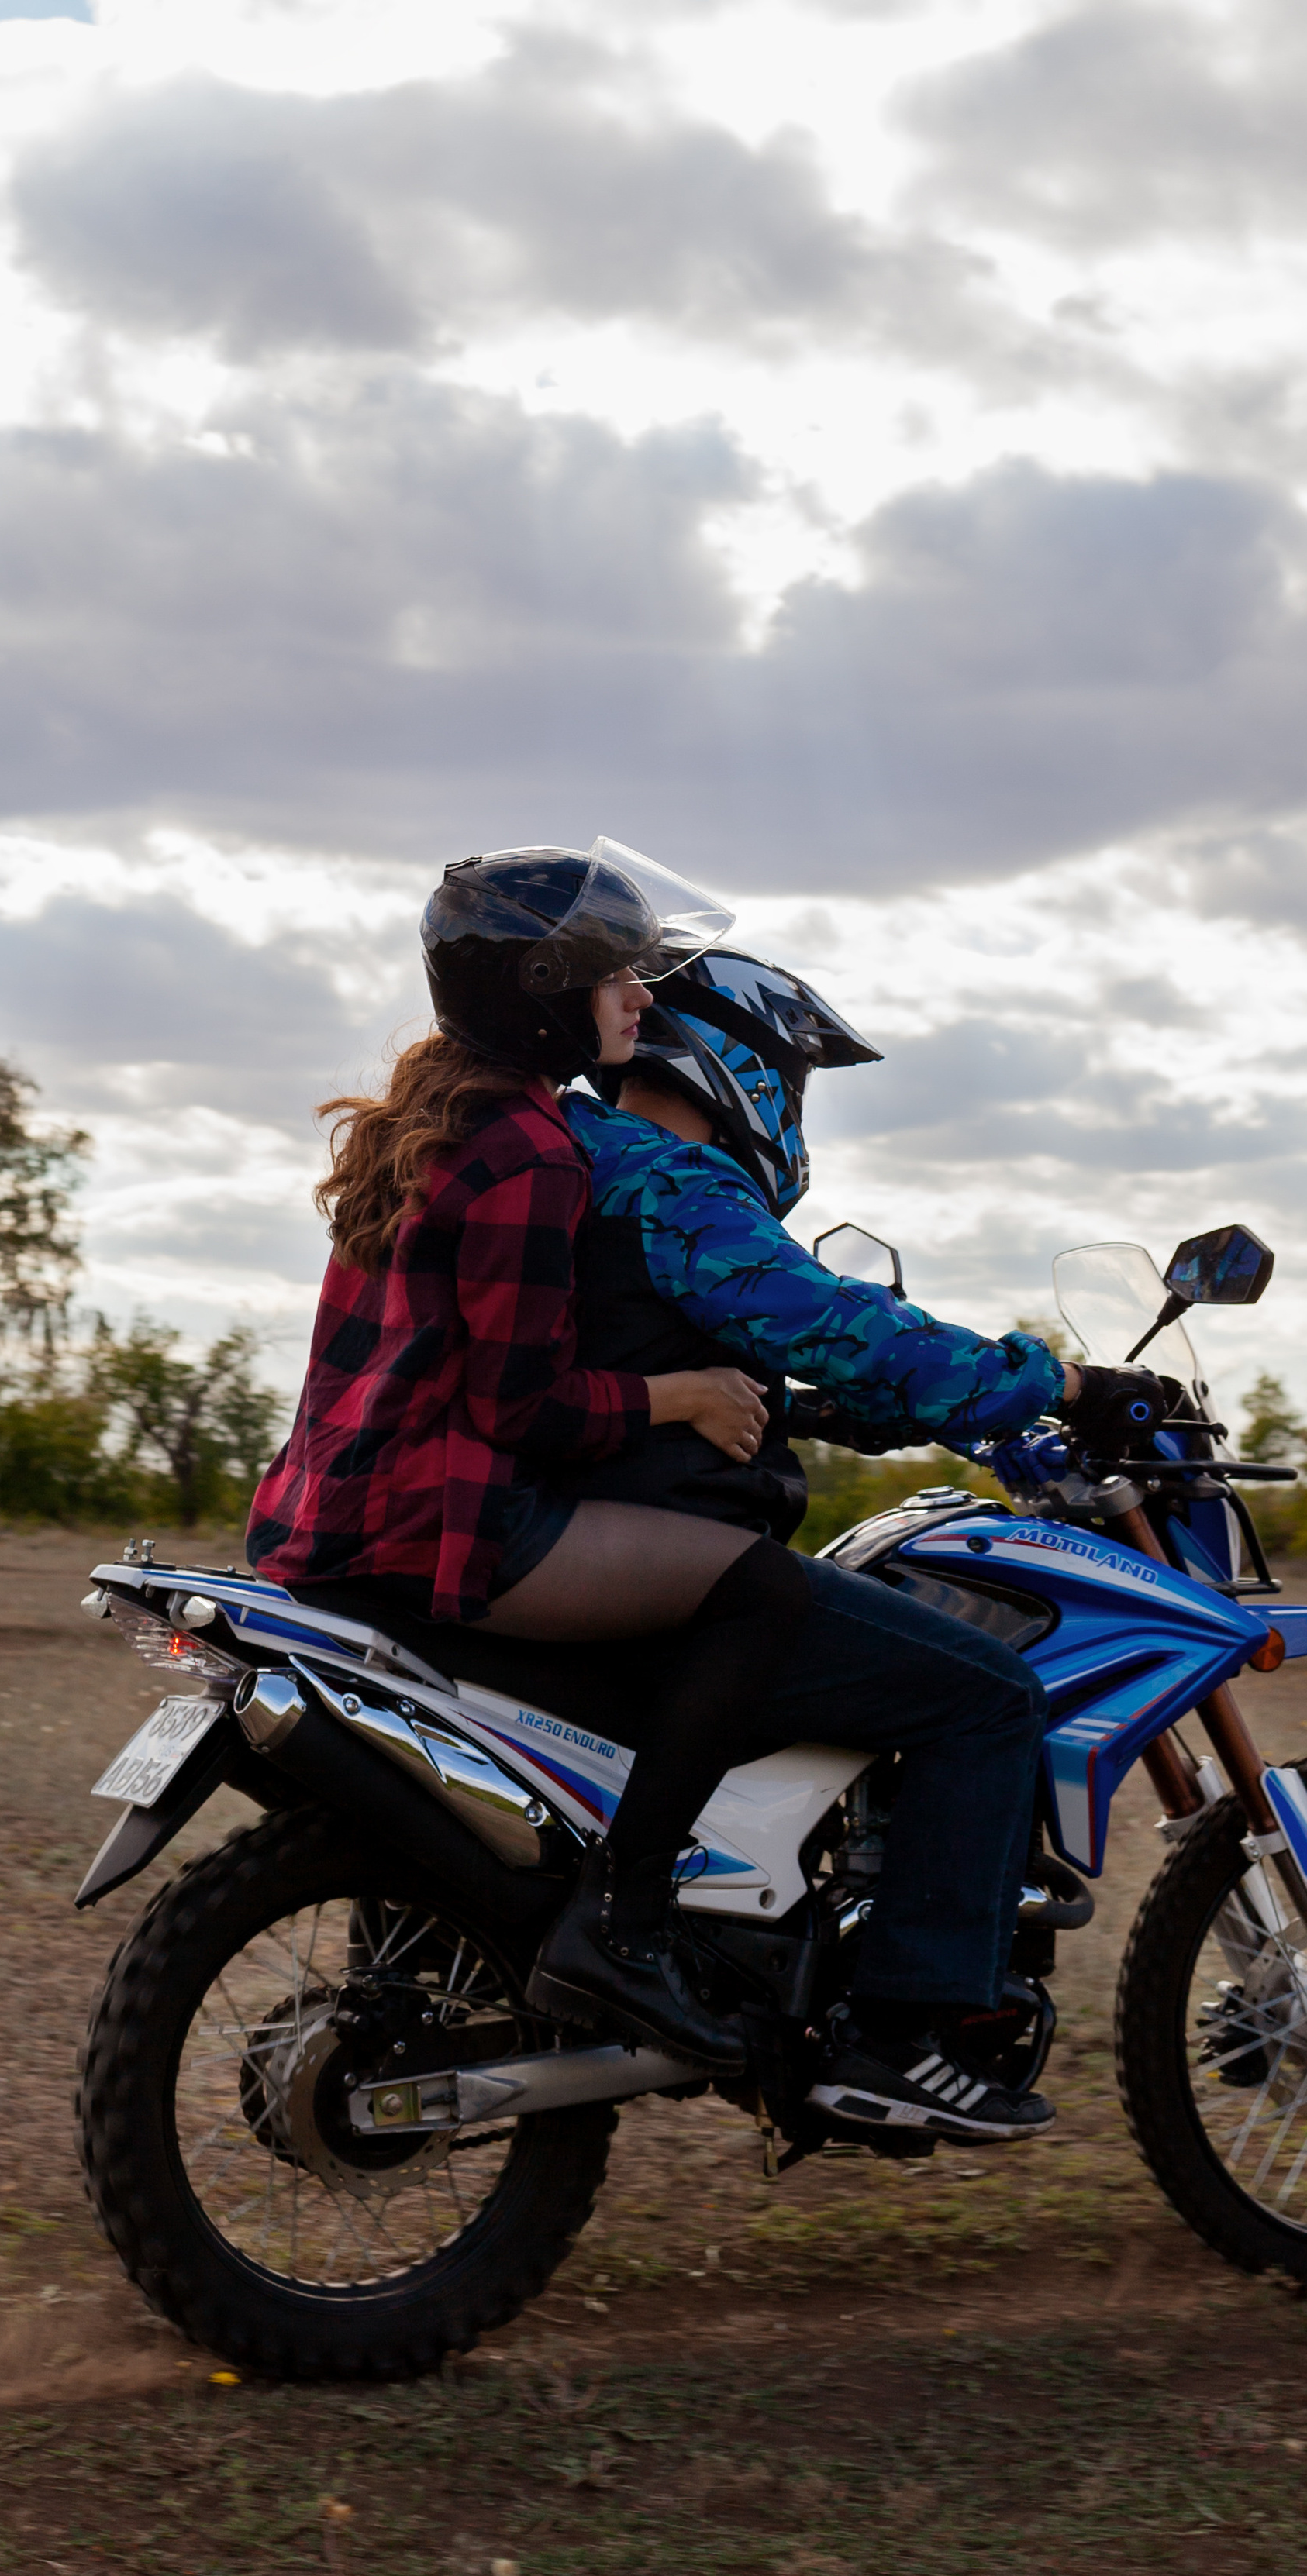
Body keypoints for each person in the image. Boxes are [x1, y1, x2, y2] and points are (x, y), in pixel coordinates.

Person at [245, 842, 817, 2075]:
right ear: (543, 988)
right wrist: (685, 1395)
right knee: (766, 1591)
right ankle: (629, 1919)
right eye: (617, 972)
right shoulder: (532, 1152)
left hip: (319, 1513)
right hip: (442, 1522)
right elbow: (528, 1412)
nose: (644, 995)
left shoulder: (424, 1115)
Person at [556, 946, 1107, 2144]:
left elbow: (698, 1360)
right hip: (667, 1574)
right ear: (740, 1068)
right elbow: (851, 1331)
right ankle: (898, 2039)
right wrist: (1048, 1376)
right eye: (794, 1081)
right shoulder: (676, 1187)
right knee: (988, 1698)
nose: (796, 1112)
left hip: (571, 1552)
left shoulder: (578, 1169)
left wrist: (887, 1414)